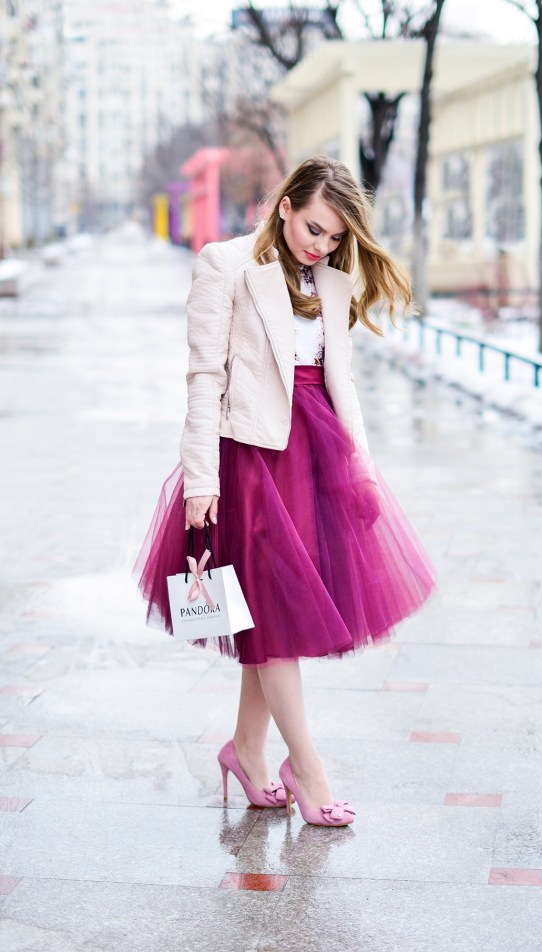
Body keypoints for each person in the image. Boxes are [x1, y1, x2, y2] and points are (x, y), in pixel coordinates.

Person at [134, 156, 436, 827]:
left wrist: (359, 466)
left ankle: (246, 750)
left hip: (315, 455)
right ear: (286, 205)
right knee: (273, 622)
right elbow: (203, 378)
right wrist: (200, 480)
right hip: (250, 461)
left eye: (333, 237)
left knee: (270, 620)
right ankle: (307, 767)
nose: (320, 244)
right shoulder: (226, 264)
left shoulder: (331, 280)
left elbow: (340, 382)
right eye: (313, 228)